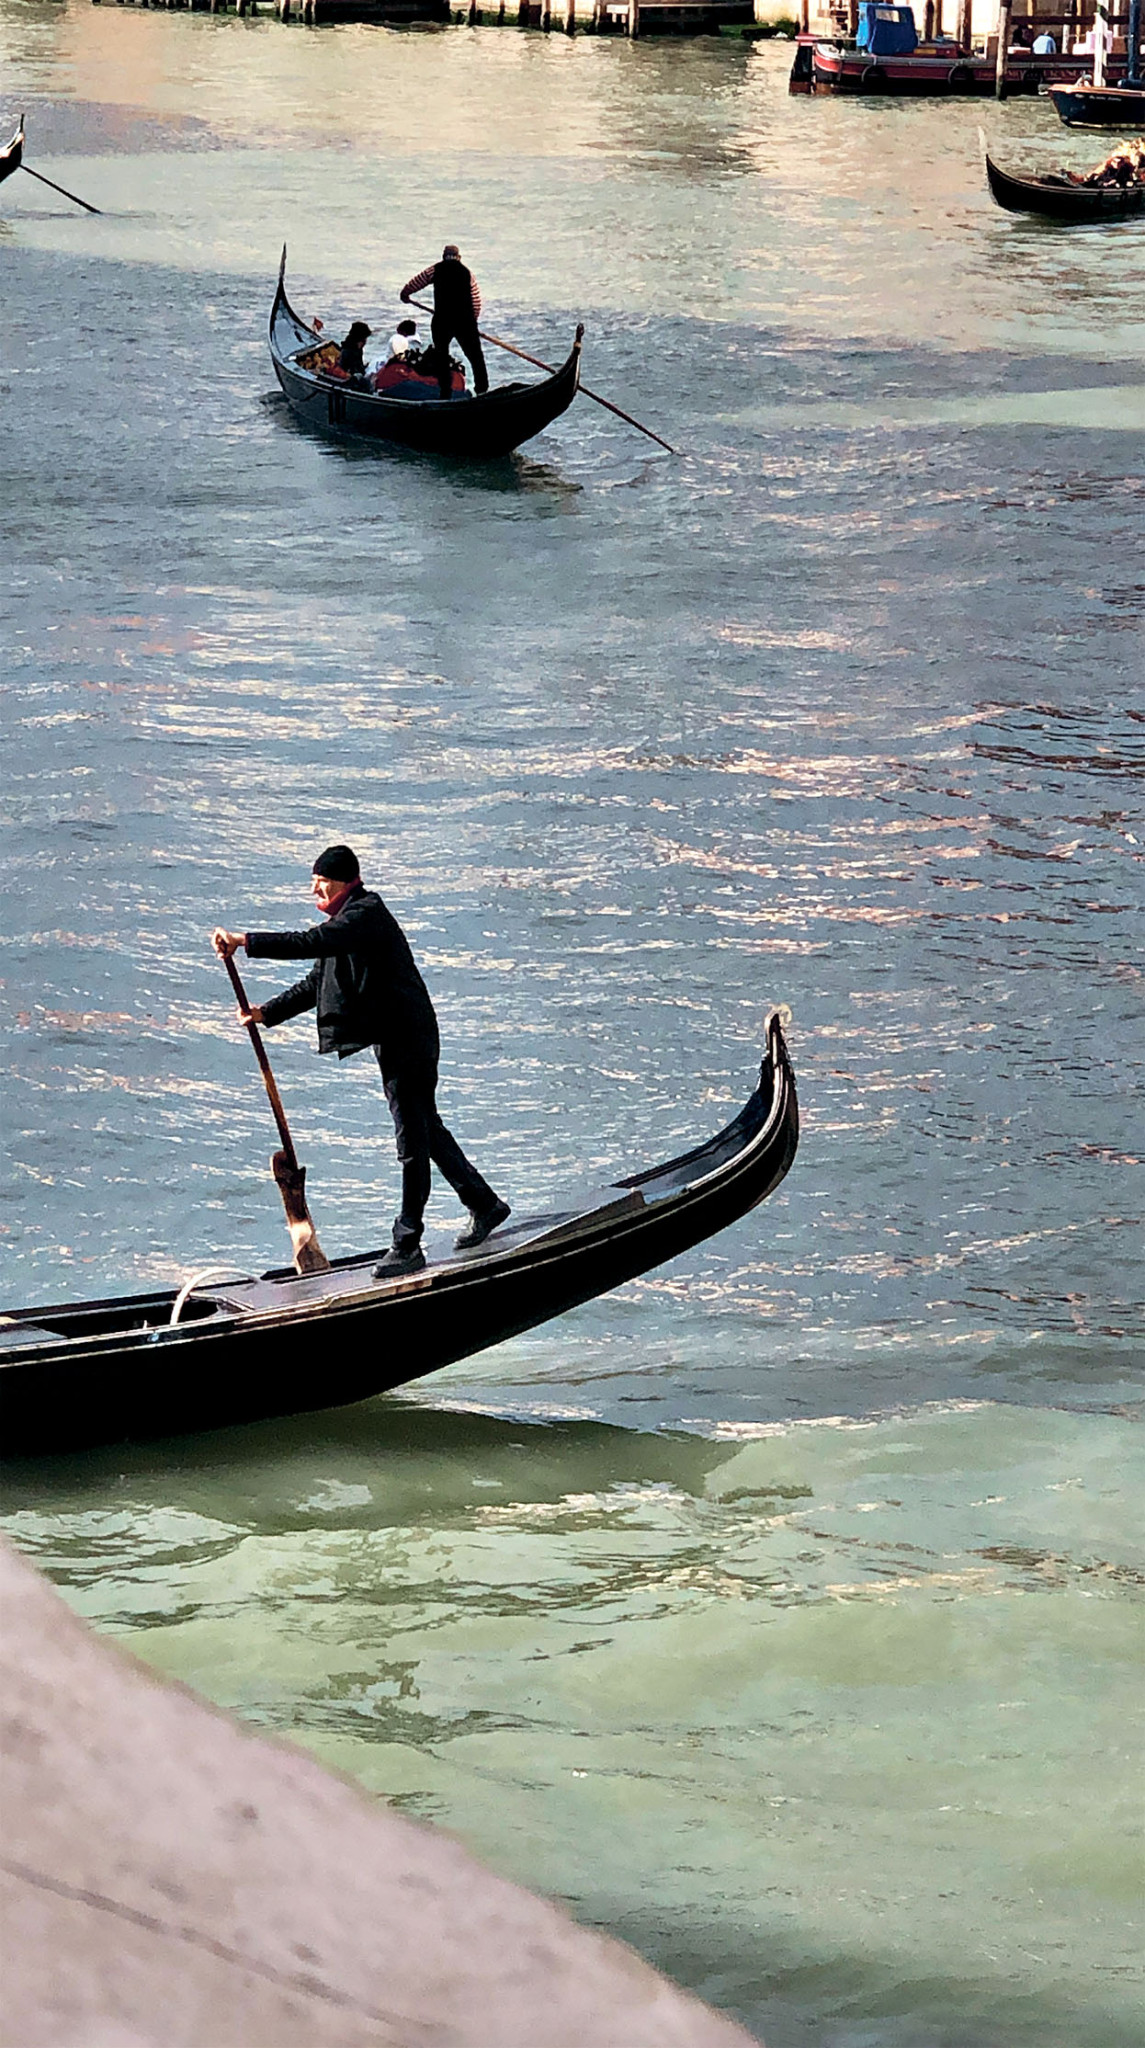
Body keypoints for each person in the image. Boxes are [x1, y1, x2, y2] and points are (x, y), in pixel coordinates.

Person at [212, 846, 510, 1277]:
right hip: (396, 1039)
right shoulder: (345, 924)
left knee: (412, 1144)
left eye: (322, 882)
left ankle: (407, 1243)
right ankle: (484, 1204)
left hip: (409, 1039)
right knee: (427, 1130)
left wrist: (245, 941)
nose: (315, 889)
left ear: (345, 881)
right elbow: (318, 981)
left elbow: (311, 942)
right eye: (313, 881)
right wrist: (266, 1013)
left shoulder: (365, 915)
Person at [399, 244, 489, 403]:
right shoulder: (467, 273)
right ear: (459, 257)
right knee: (475, 356)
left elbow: (417, 281)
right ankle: (482, 390)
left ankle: (445, 393)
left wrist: (405, 293)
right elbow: (476, 301)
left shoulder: (435, 270)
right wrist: (472, 321)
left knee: (442, 357)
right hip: (465, 322)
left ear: (443, 257)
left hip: (442, 321)